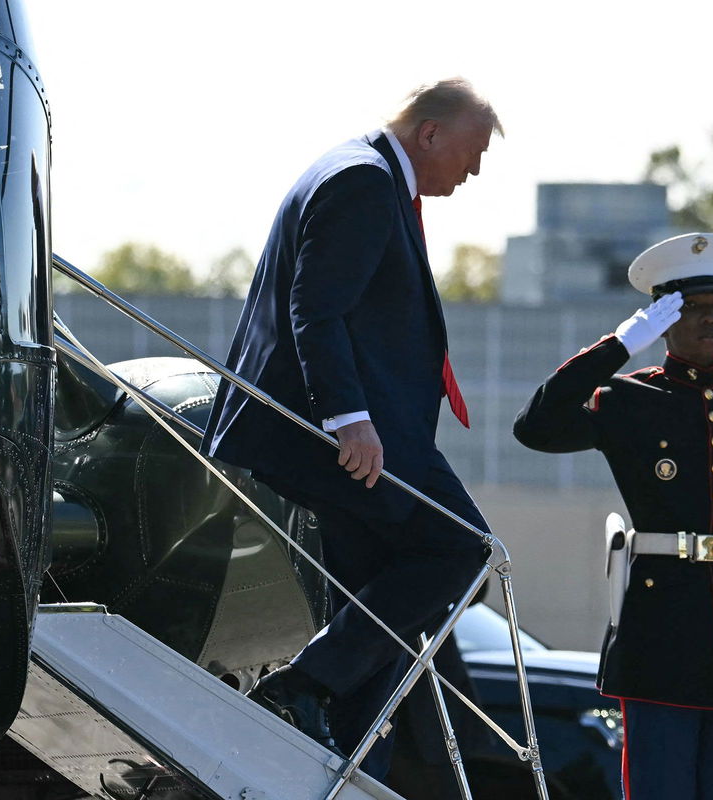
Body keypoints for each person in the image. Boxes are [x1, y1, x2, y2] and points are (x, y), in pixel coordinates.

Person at [201, 79, 503, 773]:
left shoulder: (359, 173)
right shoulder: (363, 181)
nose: (476, 170)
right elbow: (318, 309)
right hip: (346, 439)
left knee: (382, 596)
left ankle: (342, 745)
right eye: (474, 151)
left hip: (356, 437)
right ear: (429, 134)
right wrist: (351, 421)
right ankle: (302, 686)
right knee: (464, 551)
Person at [513, 233, 713, 800]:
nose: (710, 320)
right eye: (692, 309)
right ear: (663, 320)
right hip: (660, 634)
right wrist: (619, 345)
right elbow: (535, 427)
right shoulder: (627, 400)